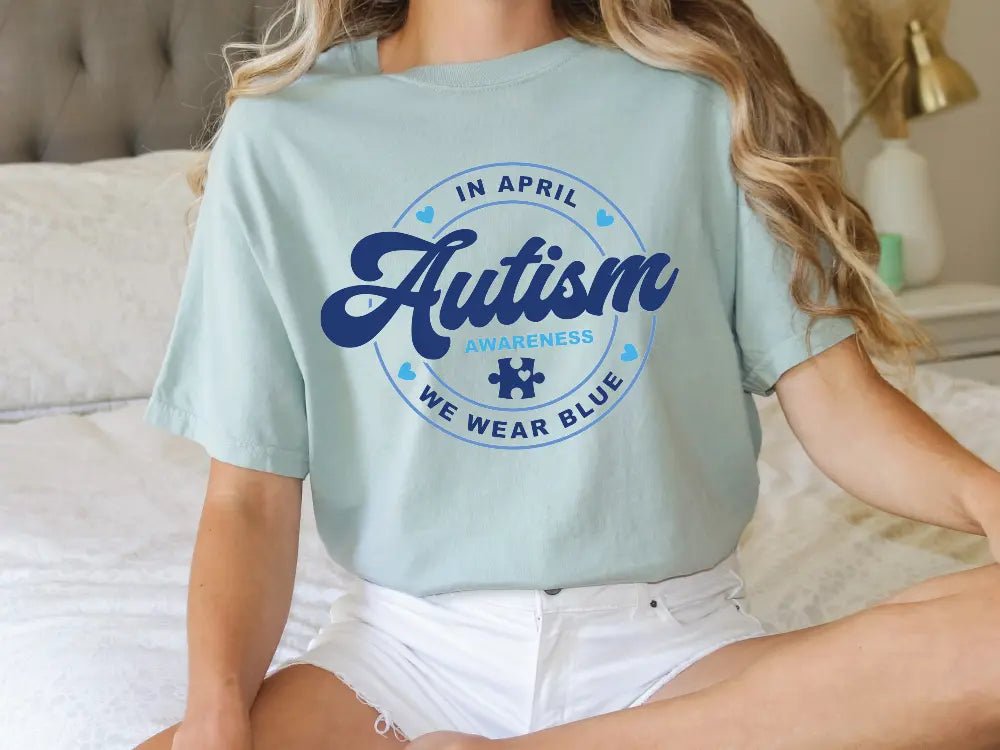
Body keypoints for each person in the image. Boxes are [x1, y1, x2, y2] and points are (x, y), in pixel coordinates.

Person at [136, 1, 1000, 748]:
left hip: (672, 652)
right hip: (403, 662)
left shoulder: (699, 102)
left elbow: (838, 402)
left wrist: (987, 499)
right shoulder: (284, 134)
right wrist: (214, 712)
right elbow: (248, 496)